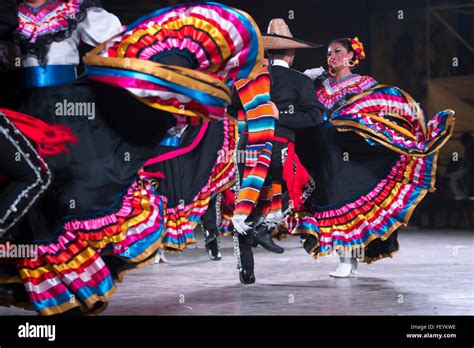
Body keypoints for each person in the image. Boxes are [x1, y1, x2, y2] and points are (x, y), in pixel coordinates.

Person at [0, 2, 264, 315]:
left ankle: (76, 285)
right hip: (22, 111)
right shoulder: (10, 13)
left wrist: (147, 79)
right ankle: (48, 285)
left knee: (76, 193)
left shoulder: (73, 10)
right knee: (37, 204)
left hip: (69, 112)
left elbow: (123, 48)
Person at [291, 37, 455, 277]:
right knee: (326, 201)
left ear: (351, 57)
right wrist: (304, 79)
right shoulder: (317, 85)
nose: (332, 57)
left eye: (338, 51)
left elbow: (382, 112)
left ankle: (347, 259)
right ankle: (346, 257)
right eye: (328, 53)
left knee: (346, 202)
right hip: (323, 156)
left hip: (352, 155)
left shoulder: (363, 84)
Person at [228, 18, 324, 284]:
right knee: (303, 186)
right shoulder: (298, 81)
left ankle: (246, 270)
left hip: (246, 148)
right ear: (291, 53)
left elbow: (229, 106)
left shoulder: (249, 78)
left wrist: (256, 116)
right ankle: (265, 227)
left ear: (268, 52)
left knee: (245, 201)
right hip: (278, 149)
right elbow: (315, 117)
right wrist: (280, 118)